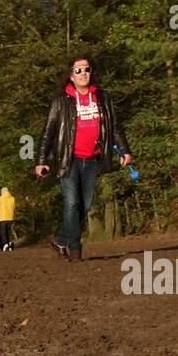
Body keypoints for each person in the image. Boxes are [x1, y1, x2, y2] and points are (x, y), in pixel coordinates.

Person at [34, 54, 132, 263]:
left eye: (86, 69)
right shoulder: (61, 101)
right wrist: (41, 159)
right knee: (71, 203)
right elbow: (48, 131)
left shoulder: (103, 97)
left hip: (92, 159)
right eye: (78, 70)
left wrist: (124, 150)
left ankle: (60, 239)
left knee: (85, 206)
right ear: (71, 76)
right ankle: (76, 248)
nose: (83, 73)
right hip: (68, 160)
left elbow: (115, 126)